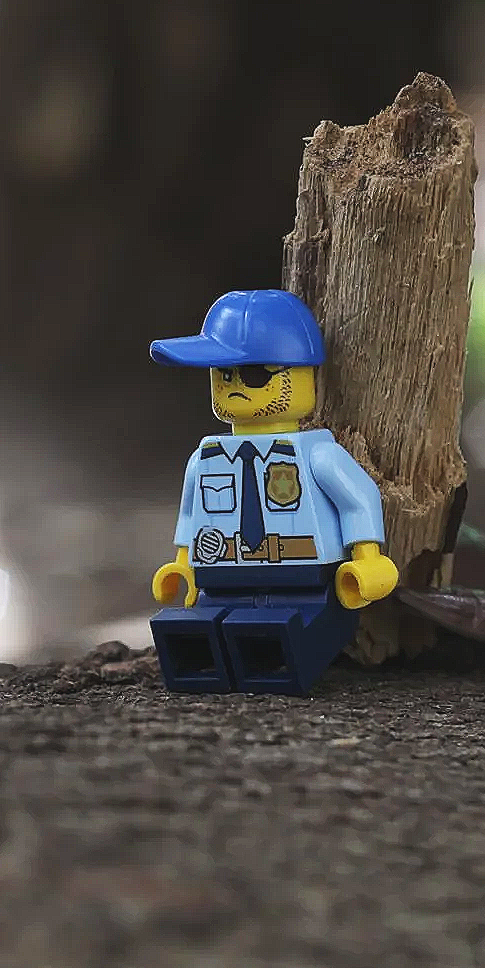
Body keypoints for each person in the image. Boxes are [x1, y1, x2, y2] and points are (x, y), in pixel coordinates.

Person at [147, 290, 398, 694]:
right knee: (195, 633)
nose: (235, 387)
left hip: (307, 580)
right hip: (222, 575)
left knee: (280, 632)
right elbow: (192, 515)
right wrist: (184, 565)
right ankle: (206, 667)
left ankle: (267, 666)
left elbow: (359, 498)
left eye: (256, 375)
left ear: (301, 375)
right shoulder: (206, 457)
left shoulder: (318, 456)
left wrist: (367, 558)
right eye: (223, 375)